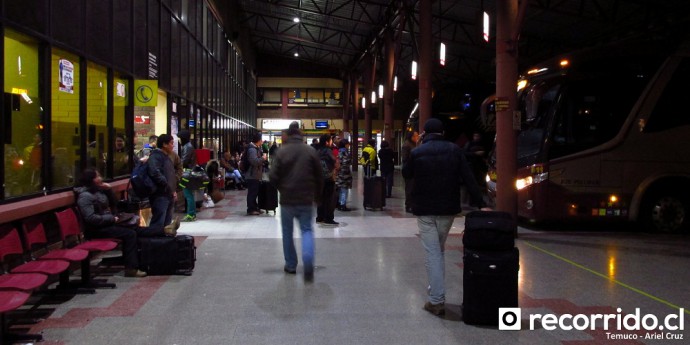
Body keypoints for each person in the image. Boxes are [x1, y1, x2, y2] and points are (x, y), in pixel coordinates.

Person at [401, 118, 490, 316]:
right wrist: (481, 203)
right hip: (448, 210)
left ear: (424, 133)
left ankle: (436, 300)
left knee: (433, 253)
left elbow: (406, 173)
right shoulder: (454, 150)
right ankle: (435, 293)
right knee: (437, 251)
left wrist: (417, 147)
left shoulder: (417, 151)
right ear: (442, 132)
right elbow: (469, 178)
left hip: (425, 210)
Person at [75, 168, 166, 278]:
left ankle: (165, 230)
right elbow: (90, 218)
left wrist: (109, 190)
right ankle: (131, 268)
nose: (101, 178)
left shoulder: (98, 191)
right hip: (96, 229)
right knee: (130, 234)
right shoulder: (85, 196)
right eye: (97, 176)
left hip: (106, 224)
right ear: (91, 180)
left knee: (134, 228)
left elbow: (114, 204)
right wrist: (111, 219)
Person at [268, 122, 323, 281]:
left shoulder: (281, 152)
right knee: (306, 230)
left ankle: (291, 265)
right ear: (300, 135)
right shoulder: (310, 151)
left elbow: (272, 176)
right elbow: (319, 176)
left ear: (289, 135)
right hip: (306, 199)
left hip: (287, 200)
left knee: (287, 233)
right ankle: (307, 263)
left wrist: (281, 188)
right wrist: (317, 196)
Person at [147, 134, 179, 236]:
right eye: (171, 143)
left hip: (168, 193)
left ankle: (164, 242)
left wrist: (173, 190)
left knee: (166, 222)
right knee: (159, 221)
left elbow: (170, 174)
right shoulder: (156, 156)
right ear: (164, 144)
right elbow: (154, 172)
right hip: (160, 194)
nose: (172, 145)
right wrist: (165, 184)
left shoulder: (166, 157)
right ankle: (154, 243)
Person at [316, 134, 338, 226]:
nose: (331, 142)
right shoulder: (328, 151)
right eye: (330, 140)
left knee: (320, 198)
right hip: (328, 178)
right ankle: (328, 218)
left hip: (319, 178)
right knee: (329, 199)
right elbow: (334, 161)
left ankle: (320, 217)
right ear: (327, 142)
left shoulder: (318, 151)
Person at [245, 133, 266, 215]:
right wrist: (263, 158)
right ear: (258, 140)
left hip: (255, 174)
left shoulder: (256, 148)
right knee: (252, 192)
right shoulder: (252, 149)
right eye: (261, 140)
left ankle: (255, 207)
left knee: (255, 192)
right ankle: (251, 209)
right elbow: (254, 161)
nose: (262, 141)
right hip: (252, 175)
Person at [178, 130, 197, 222]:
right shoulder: (188, 146)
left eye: (179, 138)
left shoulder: (187, 147)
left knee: (188, 194)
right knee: (189, 194)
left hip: (187, 173)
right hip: (189, 172)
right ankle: (191, 213)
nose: (178, 140)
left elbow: (184, 161)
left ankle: (190, 214)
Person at [401, 131, 419, 213]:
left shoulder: (414, 144)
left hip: (414, 169)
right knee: (409, 188)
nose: (417, 137)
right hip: (409, 170)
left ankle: (413, 204)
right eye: (415, 136)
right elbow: (405, 159)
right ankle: (409, 205)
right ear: (411, 137)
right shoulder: (407, 145)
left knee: (414, 187)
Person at [335, 139, 352, 211]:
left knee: (340, 190)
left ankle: (339, 203)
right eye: (348, 144)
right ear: (345, 145)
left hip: (339, 174)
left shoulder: (339, 152)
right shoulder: (345, 152)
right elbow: (345, 164)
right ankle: (343, 205)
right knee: (344, 190)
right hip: (344, 175)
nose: (349, 145)